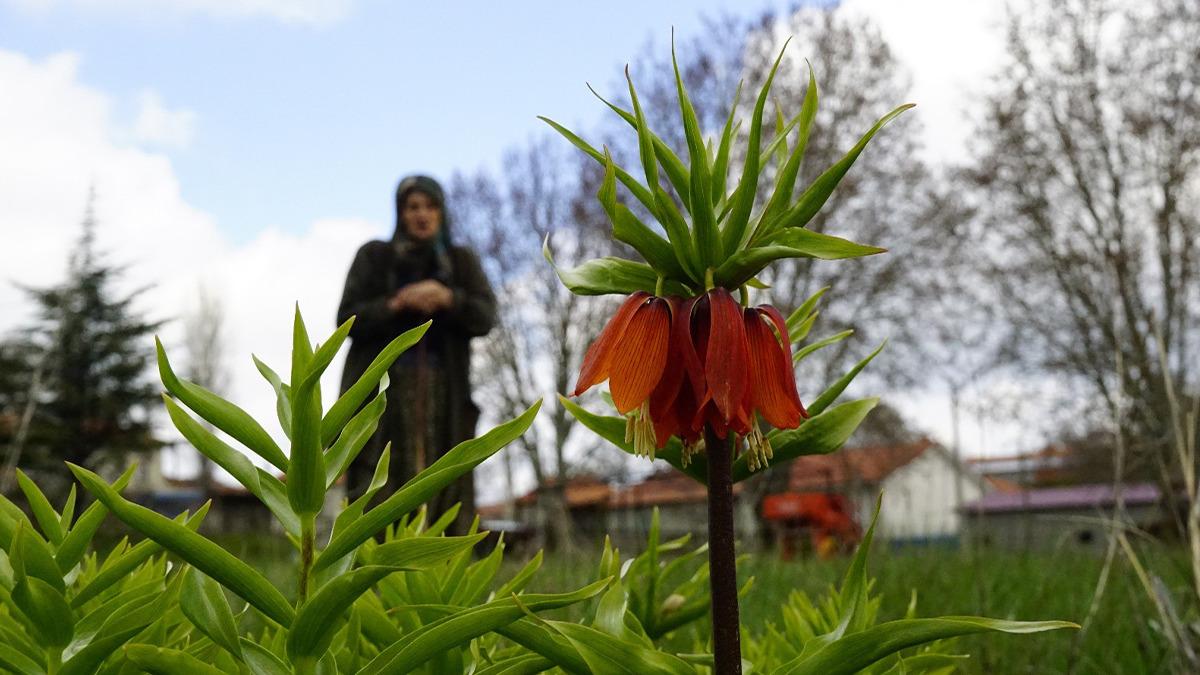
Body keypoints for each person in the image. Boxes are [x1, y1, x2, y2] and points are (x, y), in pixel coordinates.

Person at [337, 174, 496, 534]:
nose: (422, 214)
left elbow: (485, 316)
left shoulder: (459, 261)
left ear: (441, 212)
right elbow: (347, 319)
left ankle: (442, 561)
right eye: (413, 207)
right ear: (400, 213)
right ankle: (374, 561)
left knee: (445, 480)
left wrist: (448, 298)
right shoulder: (375, 257)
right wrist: (397, 302)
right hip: (383, 393)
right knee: (379, 480)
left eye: (430, 206)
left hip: (445, 394)